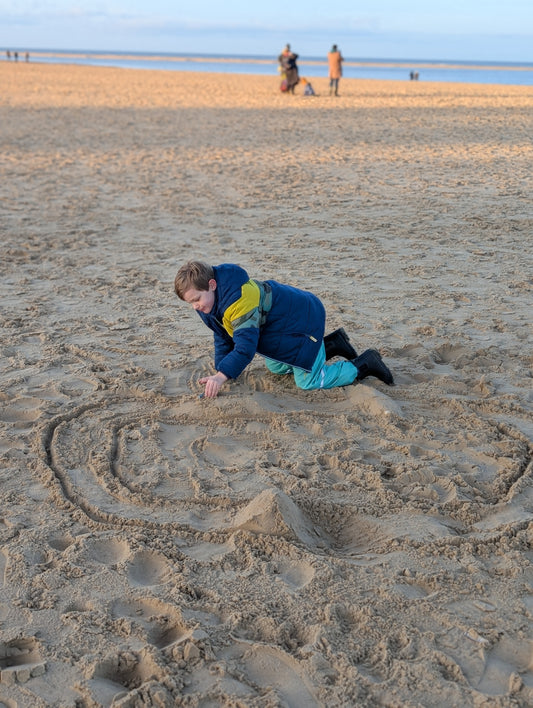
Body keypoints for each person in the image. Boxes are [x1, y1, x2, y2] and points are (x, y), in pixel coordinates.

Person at [174, 261, 393, 398]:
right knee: (277, 367)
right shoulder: (208, 303)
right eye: (190, 303)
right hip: (285, 326)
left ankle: (364, 363)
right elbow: (222, 336)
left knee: (308, 382)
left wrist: (222, 377)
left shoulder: (240, 302)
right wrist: (222, 370)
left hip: (304, 320)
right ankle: (332, 344)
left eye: (197, 300)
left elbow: (245, 348)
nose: (196, 307)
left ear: (211, 285)